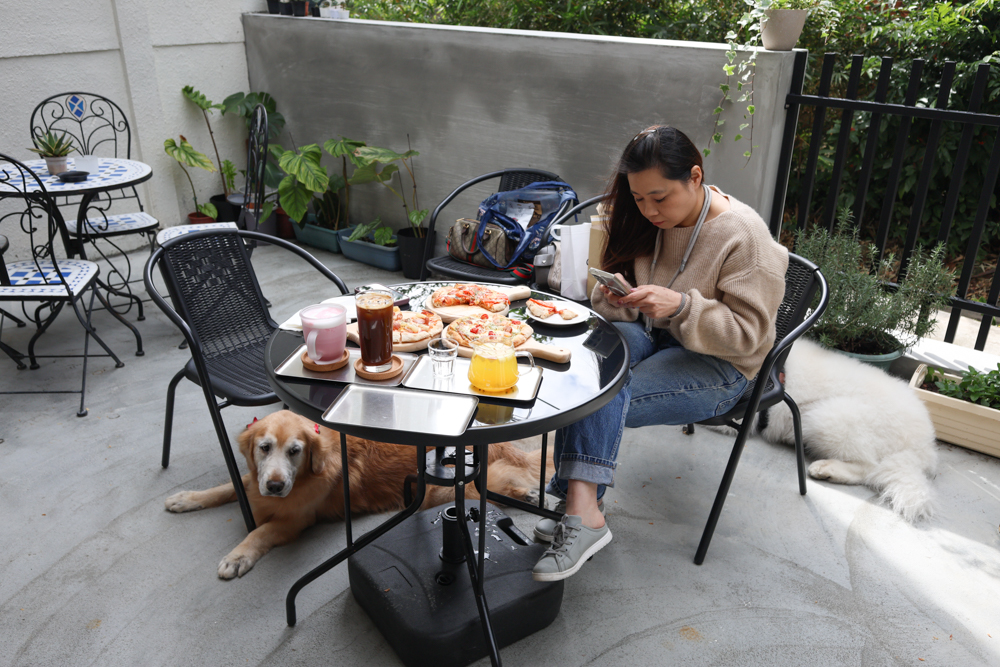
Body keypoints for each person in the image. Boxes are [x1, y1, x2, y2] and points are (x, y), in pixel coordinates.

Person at [531, 125, 789, 582]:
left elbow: (750, 337)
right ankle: (582, 499)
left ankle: (581, 511)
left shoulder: (744, 238)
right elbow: (613, 294)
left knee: (607, 392)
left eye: (660, 197)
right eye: (638, 198)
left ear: (695, 176)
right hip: (656, 336)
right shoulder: (648, 219)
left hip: (722, 365)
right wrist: (616, 299)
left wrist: (684, 306)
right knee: (588, 366)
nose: (648, 210)